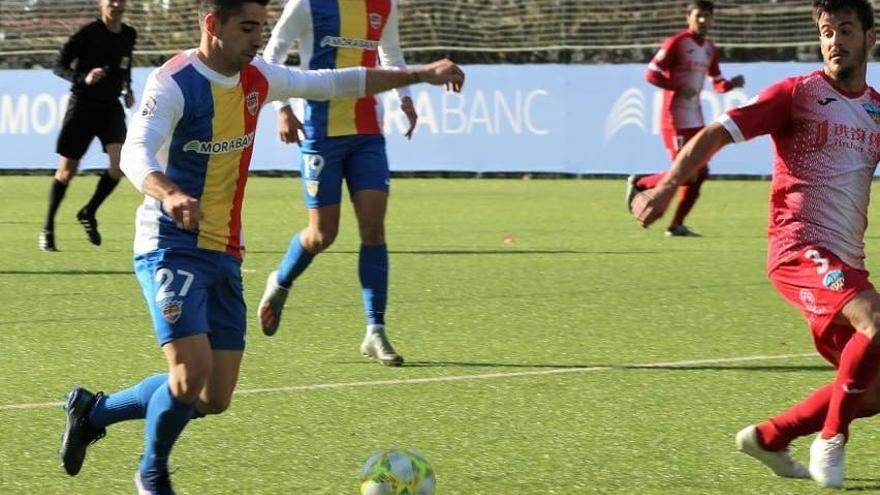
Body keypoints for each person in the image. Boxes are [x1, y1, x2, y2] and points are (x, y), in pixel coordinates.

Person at [56, 0, 465, 493]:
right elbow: (138, 152)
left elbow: (336, 83)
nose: (258, 38)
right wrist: (170, 194)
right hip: (169, 244)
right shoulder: (174, 81)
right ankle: (151, 473)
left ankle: (94, 411)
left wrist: (419, 74)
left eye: (262, 28)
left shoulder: (260, 78)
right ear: (212, 25)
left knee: (213, 397)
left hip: (225, 249)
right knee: (188, 377)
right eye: (248, 28)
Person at [631, 0, 879, 488]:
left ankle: (769, 436)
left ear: (871, 38)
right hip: (798, 249)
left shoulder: (874, 110)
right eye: (827, 31)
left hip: (845, 263)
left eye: (846, 30)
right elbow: (715, 134)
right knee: (875, 318)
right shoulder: (797, 94)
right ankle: (831, 440)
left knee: (872, 393)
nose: (834, 40)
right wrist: (663, 187)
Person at [256, 0, 418, 366]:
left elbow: (390, 56)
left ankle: (375, 330)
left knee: (373, 227)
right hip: (318, 132)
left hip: (367, 134)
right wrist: (282, 110)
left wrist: (404, 98)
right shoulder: (306, 5)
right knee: (322, 234)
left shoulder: (383, 5)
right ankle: (280, 281)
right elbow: (271, 58)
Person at [625, 0, 744, 237]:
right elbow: (651, 73)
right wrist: (676, 85)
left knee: (700, 174)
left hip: (695, 117)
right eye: (698, 15)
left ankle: (676, 225)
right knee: (688, 174)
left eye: (707, 16)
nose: (703, 20)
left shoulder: (709, 48)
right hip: (674, 117)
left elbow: (717, 82)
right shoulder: (676, 43)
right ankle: (641, 183)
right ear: (688, 17)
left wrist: (731, 84)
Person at [40, 0, 137, 251]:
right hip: (83, 105)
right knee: (66, 172)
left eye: (120, 0)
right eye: (110, 0)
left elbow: (125, 65)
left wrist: (127, 88)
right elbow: (58, 65)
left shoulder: (129, 34)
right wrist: (84, 77)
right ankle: (48, 228)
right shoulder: (87, 34)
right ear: (100, 4)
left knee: (121, 164)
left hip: (110, 107)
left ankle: (89, 211)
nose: (116, 4)